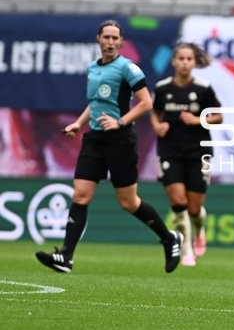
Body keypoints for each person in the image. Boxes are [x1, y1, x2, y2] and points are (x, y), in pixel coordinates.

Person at [35, 19, 182, 273]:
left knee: (128, 202)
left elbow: (147, 103)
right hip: (95, 139)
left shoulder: (128, 68)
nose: (111, 42)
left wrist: (120, 121)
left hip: (120, 140)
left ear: (122, 43)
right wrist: (78, 124)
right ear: (98, 40)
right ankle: (66, 257)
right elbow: (95, 102)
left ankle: (169, 239)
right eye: (107, 38)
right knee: (80, 194)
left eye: (116, 38)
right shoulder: (93, 68)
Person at [151, 42, 222, 266]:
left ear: (194, 62)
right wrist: (156, 125)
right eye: (180, 58)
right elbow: (154, 111)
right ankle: (186, 250)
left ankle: (200, 230)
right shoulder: (162, 88)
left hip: (199, 151)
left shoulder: (203, 88)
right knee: (178, 202)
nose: (184, 62)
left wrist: (198, 119)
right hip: (169, 150)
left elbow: (219, 116)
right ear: (173, 61)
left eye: (189, 59)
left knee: (194, 207)